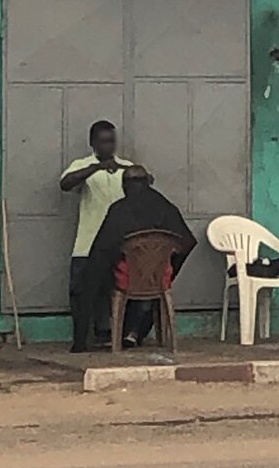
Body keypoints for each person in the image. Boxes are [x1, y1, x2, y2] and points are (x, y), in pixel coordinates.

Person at [83, 166, 197, 349]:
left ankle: (99, 334)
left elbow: (103, 249)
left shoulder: (119, 209)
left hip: (127, 278)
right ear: (148, 182)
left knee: (95, 274)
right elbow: (188, 241)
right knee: (148, 275)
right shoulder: (166, 207)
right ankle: (133, 332)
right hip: (159, 277)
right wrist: (168, 267)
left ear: (124, 185)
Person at [60, 121, 133, 353]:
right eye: (103, 141)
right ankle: (81, 340)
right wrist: (97, 168)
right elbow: (66, 183)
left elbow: (145, 184)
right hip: (88, 242)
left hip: (120, 244)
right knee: (81, 292)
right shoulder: (83, 165)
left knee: (117, 291)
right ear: (93, 143)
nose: (108, 146)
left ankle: (116, 336)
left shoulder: (125, 166)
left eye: (111, 141)